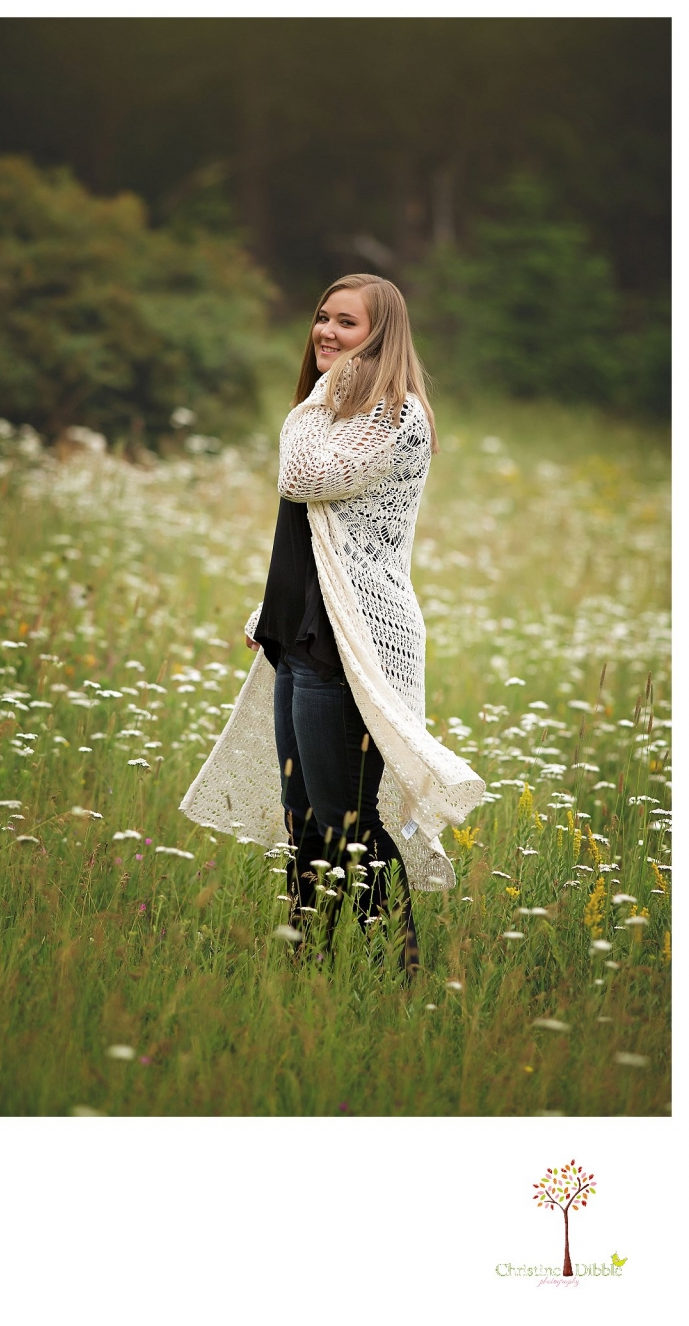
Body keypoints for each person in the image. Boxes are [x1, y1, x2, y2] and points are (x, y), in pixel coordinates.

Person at [180, 273, 484, 973]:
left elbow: (307, 480)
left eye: (346, 323)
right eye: (323, 317)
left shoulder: (392, 414)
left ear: (381, 335)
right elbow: (322, 535)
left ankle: (396, 970)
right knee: (304, 821)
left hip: (351, 648)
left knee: (350, 821)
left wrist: (310, 407)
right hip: (303, 636)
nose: (326, 332)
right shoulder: (336, 409)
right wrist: (274, 612)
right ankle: (305, 962)